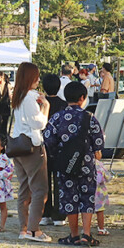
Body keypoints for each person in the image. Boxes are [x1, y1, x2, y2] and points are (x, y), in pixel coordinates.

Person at [44, 82, 105, 247]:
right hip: (86, 164)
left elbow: (48, 140)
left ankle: (74, 235)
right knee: (87, 197)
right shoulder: (90, 117)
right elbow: (99, 142)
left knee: (70, 197)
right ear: (82, 98)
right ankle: (86, 234)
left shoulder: (57, 117)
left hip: (65, 165)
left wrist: (59, 154)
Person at [10, 62, 52, 242]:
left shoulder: (18, 96)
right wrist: (46, 107)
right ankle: (34, 230)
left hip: (17, 146)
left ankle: (24, 228)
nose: (38, 79)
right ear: (31, 77)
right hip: (32, 147)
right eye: (36, 76)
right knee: (40, 190)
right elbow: (39, 124)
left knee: (24, 189)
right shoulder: (29, 98)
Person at [40, 74, 69, 227]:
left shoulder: (40, 103)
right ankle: (59, 215)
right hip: (60, 148)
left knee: (44, 182)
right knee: (60, 182)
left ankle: (45, 213)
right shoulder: (64, 105)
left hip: (43, 146)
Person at [95, 158, 112, 236]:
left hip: (87, 191)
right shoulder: (99, 164)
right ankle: (101, 229)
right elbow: (108, 177)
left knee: (85, 211)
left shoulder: (83, 162)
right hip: (99, 192)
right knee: (100, 211)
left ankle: (85, 228)